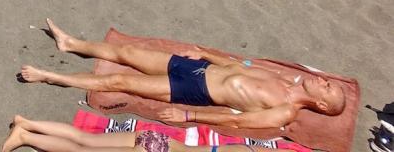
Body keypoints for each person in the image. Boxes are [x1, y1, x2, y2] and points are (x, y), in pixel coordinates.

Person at [20, 18, 347, 131]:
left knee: (119, 82)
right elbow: (240, 65)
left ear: (319, 105)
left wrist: (189, 114)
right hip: (199, 67)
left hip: (193, 89)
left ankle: (49, 75)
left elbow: (236, 122)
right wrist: (206, 53)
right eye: (329, 81)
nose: (324, 80)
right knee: (129, 53)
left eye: (327, 88)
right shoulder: (283, 78)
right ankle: (70, 43)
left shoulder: (283, 112)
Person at [0, 115, 254, 152]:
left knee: (83, 139)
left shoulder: (245, 149)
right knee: (79, 151)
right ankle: (25, 137)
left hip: (160, 141)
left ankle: (26, 122)